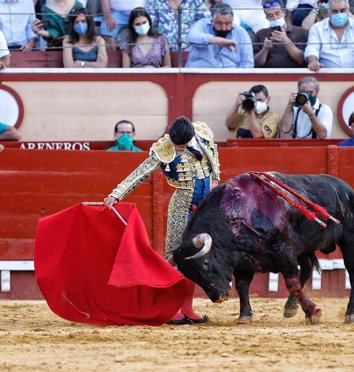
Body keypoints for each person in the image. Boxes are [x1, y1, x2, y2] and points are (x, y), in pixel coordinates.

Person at [104, 116, 220, 324]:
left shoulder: (203, 133)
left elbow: (213, 154)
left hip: (205, 205)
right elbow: (142, 171)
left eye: (183, 145)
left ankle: (187, 308)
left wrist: (216, 176)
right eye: (178, 146)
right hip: (182, 206)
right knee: (175, 257)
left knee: (196, 257)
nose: (180, 149)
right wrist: (117, 193)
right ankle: (169, 308)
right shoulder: (165, 147)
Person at [304, 0, 354, 71]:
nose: (339, 14)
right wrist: (313, 61)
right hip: (326, 75)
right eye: (335, 11)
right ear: (329, 12)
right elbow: (312, 49)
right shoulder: (317, 27)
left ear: (348, 11)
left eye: (342, 10)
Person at [185, 3, 254, 68]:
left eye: (228, 23)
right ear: (212, 20)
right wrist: (221, 41)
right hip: (201, 73)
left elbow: (248, 63)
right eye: (219, 23)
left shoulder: (241, 32)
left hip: (229, 76)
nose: (224, 28)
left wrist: (236, 79)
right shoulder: (202, 24)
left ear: (232, 21)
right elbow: (192, 38)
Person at [253, 0, 308, 68]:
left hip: (293, 74)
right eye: (270, 15)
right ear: (267, 18)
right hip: (269, 75)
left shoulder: (300, 31)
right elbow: (257, 64)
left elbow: (301, 60)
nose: (275, 18)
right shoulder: (260, 34)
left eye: (277, 13)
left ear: (284, 13)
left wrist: (286, 41)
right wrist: (265, 48)